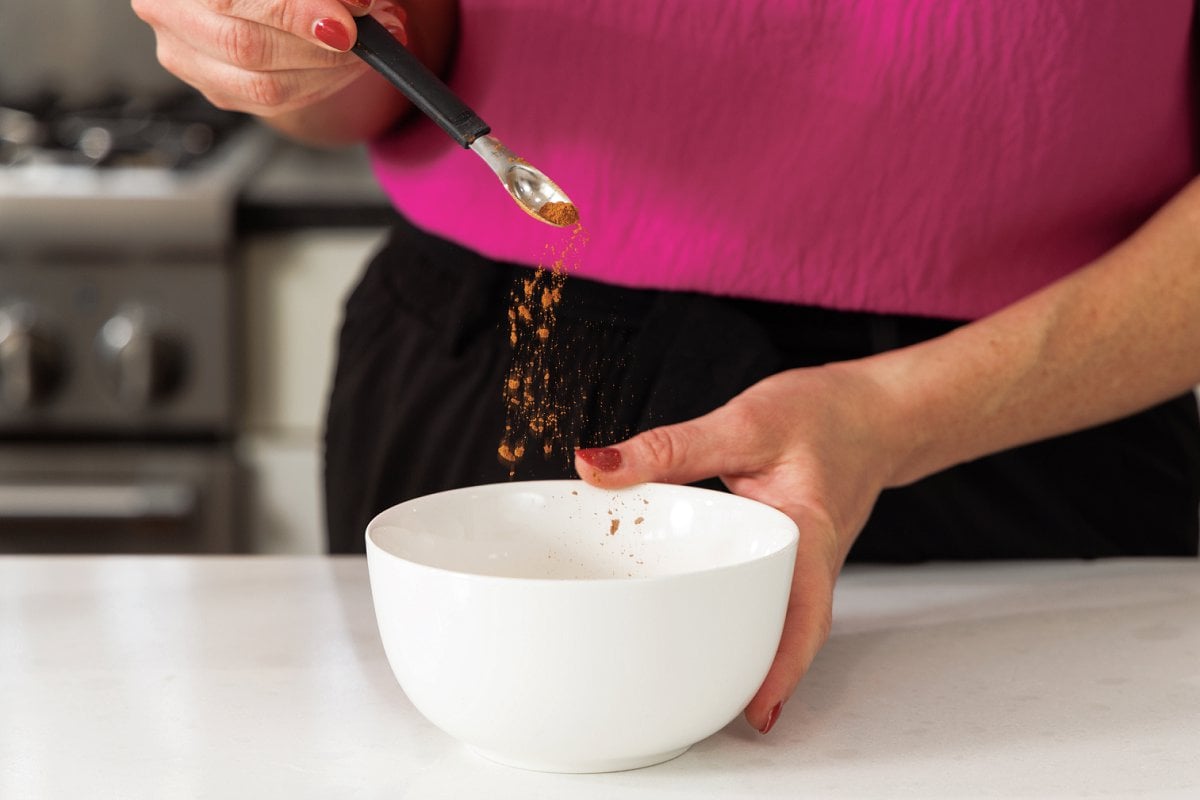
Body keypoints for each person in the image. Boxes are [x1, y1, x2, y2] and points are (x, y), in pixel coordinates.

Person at [135, 0, 1200, 736]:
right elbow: (387, 63)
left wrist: (896, 412)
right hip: (506, 375)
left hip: (1036, 398)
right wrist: (293, 42)